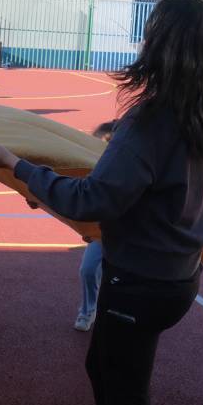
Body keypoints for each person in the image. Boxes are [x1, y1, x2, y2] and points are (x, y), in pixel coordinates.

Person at [0, 0, 203, 405]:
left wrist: (18, 167)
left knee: (127, 399)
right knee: (103, 369)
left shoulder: (151, 121)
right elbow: (137, 197)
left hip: (137, 283)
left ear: (165, 48)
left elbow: (94, 199)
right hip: (174, 280)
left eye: (152, 33)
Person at [73, 121, 116, 331]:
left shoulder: (128, 173)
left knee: (120, 279)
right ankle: (88, 311)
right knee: (88, 269)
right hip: (101, 232)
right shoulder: (91, 169)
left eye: (106, 144)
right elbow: (75, 194)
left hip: (127, 235)